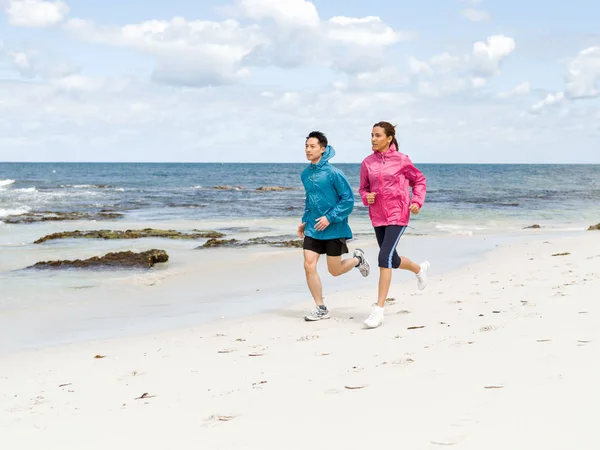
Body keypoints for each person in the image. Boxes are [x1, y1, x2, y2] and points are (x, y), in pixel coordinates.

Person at [358, 121, 430, 329]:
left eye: (378, 135)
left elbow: (419, 180)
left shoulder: (401, 160)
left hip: (398, 213)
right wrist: (366, 197)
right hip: (378, 215)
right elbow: (363, 188)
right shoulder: (367, 163)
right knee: (392, 259)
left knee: (383, 257)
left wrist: (416, 201)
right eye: (371, 135)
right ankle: (419, 269)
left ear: (389, 138)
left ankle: (378, 310)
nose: (373, 139)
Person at [298, 131, 371, 321]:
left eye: (312, 146)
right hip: (314, 228)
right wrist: (305, 221)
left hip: (334, 228)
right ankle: (320, 307)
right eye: (306, 146)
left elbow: (348, 200)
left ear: (323, 149)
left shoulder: (334, 173)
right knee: (309, 265)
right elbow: (310, 200)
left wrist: (329, 218)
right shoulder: (305, 175)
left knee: (335, 271)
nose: (308, 149)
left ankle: (358, 260)